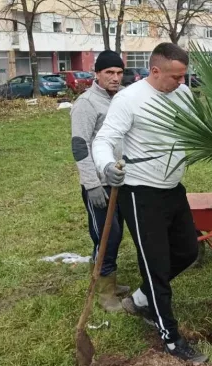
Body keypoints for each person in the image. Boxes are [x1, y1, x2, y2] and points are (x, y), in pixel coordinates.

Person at [92, 43, 212, 364]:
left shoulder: (181, 95)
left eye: (184, 76)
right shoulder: (129, 100)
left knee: (187, 252)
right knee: (156, 268)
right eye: (176, 77)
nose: (181, 82)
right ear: (155, 71)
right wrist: (106, 166)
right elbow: (104, 140)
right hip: (139, 193)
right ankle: (171, 339)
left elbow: (202, 135)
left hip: (172, 189)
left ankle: (140, 299)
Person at [71, 50, 129, 312]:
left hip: (121, 180)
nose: (115, 78)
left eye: (119, 72)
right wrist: (91, 184)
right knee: (107, 236)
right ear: (97, 74)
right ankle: (105, 294)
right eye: (109, 73)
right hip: (99, 184)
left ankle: (108, 281)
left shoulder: (123, 98)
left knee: (117, 232)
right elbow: (80, 146)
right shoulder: (87, 103)